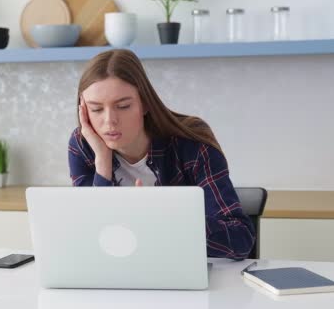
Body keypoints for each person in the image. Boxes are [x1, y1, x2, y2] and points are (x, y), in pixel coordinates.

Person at [67, 49, 255, 260]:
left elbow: (241, 239)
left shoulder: (191, 144)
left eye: (123, 106)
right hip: (121, 276)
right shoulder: (84, 145)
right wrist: (102, 163)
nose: (109, 121)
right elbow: (92, 239)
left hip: (182, 275)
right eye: (96, 109)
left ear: (145, 103)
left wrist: (162, 216)